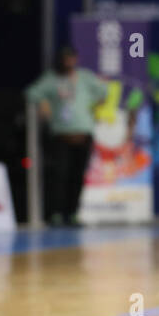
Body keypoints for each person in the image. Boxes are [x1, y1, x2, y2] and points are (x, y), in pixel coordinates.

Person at [25, 46, 108, 226]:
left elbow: (104, 91)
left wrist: (95, 106)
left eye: (70, 58)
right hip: (61, 136)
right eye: (64, 58)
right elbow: (31, 92)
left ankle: (73, 213)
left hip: (83, 135)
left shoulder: (85, 77)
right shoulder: (51, 79)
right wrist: (42, 102)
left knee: (77, 176)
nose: (67, 61)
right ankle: (56, 212)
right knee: (59, 175)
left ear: (75, 59)